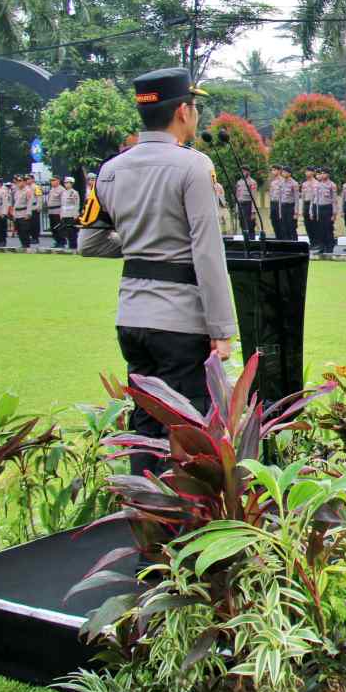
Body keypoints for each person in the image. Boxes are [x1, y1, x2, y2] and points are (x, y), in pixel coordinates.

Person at [78, 67, 235, 477]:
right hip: (180, 321)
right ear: (182, 111)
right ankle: (181, 526)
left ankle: (146, 520)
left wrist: (137, 246)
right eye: (195, 107)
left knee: (146, 426)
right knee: (188, 429)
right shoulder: (193, 167)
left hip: (132, 316)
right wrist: (221, 330)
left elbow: (89, 242)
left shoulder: (111, 170)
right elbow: (207, 250)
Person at [311, 170, 336, 254]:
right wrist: (316, 212)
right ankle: (322, 246)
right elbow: (317, 199)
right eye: (321, 173)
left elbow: (334, 200)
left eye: (324, 173)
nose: (322, 175)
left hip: (328, 208)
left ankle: (330, 247)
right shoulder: (318, 185)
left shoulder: (332, 185)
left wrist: (334, 213)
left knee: (328, 229)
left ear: (328, 174)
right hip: (320, 208)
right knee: (320, 229)